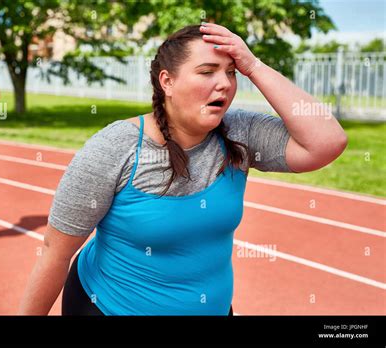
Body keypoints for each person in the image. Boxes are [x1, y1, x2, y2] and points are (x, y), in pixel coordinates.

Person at [19, 23, 347, 315]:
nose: (225, 84)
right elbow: (54, 253)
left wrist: (254, 65)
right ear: (167, 82)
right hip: (105, 306)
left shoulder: (240, 132)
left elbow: (327, 142)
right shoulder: (114, 148)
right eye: (207, 71)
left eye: (231, 72)